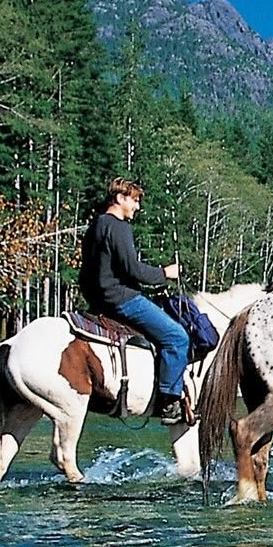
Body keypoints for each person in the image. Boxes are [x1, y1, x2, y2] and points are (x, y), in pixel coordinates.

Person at [79, 176, 190, 425]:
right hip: (121, 300)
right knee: (177, 337)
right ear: (120, 199)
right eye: (135, 200)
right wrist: (165, 273)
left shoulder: (96, 225)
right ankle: (170, 402)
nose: (137, 207)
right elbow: (133, 270)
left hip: (99, 301)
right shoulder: (118, 227)